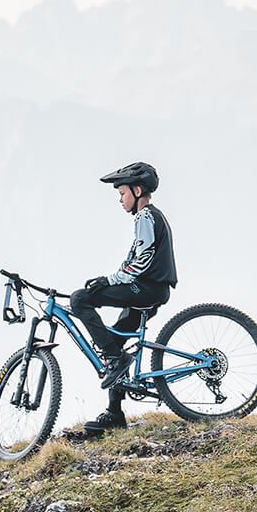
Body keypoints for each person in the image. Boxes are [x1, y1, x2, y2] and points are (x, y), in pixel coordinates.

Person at [71, 161, 176, 434]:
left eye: (122, 193)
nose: (120, 199)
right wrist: (111, 279)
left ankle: (116, 360)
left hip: (146, 289)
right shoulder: (150, 218)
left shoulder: (146, 217)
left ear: (137, 190)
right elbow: (136, 260)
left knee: (80, 299)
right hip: (148, 291)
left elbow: (142, 261)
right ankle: (115, 413)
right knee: (114, 345)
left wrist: (108, 281)